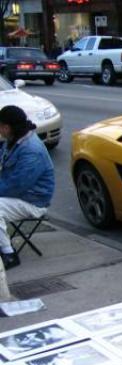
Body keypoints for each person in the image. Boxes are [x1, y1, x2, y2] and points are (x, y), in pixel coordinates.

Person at [0, 106, 55, 270]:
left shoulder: (31, 150)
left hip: (33, 202)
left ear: (7, 127)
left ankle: (9, 254)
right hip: (18, 195)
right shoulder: (14, 140)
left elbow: (15, 186)